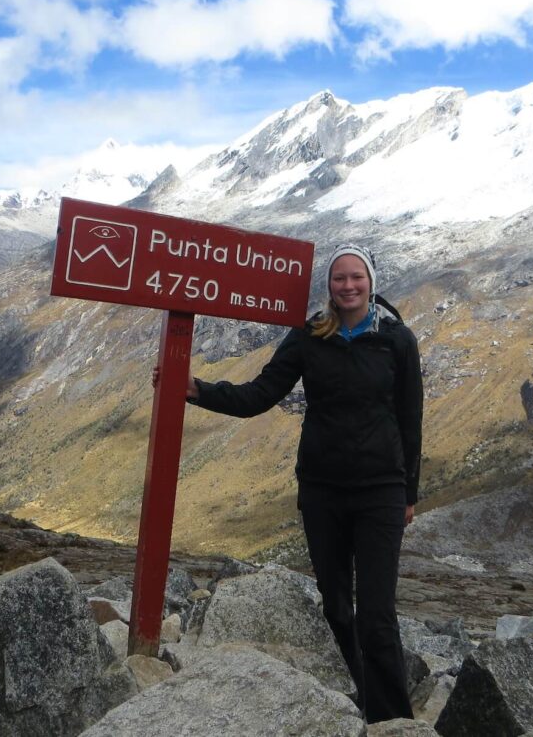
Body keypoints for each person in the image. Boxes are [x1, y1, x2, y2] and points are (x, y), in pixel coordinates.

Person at [157, 243, 422, 723]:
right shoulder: (309, 338)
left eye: (356, 277)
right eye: (339, 278)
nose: (348, 286)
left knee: (376, 616)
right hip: (322, 490)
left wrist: (410, 494)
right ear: (329, 286)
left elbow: (410, 419)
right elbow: (260, 394)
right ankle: (367, 696)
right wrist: (196, 390)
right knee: (338, 608)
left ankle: (394, 723)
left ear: (371, 282)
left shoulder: (396, 341)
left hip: (380, 490)